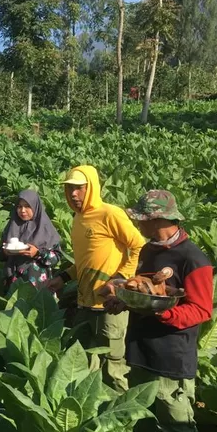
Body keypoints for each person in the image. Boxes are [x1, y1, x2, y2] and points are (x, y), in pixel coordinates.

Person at [103, 190, 212, 432]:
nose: (137, 225)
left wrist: (163, 312)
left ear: (158, 219)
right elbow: (145, 289)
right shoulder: (149, 249)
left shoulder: (193, 258)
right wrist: (123, 301)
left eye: (141, 219)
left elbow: (201, 311)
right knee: (145, 427)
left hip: (170, 361)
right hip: (140, 353)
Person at [46, 166, 145, 393]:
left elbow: (139, 245)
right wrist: (63, 277)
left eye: (79, 188)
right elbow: (84, 260)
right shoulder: (78, 220)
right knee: (86, 365)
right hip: (85, 303)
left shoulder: (110, 213)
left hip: (109, 305)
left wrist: (121, 279)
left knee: (113, 366)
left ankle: (123, 417)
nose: (73, 194)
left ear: (91, 187)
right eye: (69, 189)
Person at [0, 189, 63, 290]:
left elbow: (57, 257)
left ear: (36, 206)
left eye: (27, 206)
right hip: (14, 282)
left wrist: (38, 253)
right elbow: (0, 255)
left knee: (39, 305)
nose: (23, 210)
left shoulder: (46, 228)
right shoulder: (12, 225)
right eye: (19, 206)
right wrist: (6, 252)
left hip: (39, 283)